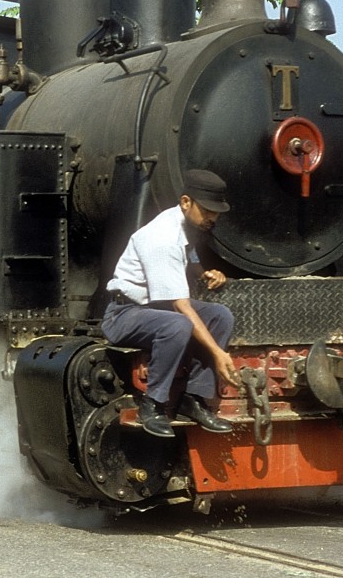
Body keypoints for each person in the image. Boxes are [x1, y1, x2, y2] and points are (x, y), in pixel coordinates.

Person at [103, 169, 241, 437]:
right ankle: (152, 405)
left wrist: (203, 273)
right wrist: (218, 354)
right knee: (178, 324)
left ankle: (194, 399)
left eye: (216, 212)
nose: (212, 218)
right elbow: (181, 306)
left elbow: (187, 253)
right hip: (124, 314)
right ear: (186, 202)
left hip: (154, 310)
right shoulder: (162, 238)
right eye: (207, 210)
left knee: (220, 315)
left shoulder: (183, 223)